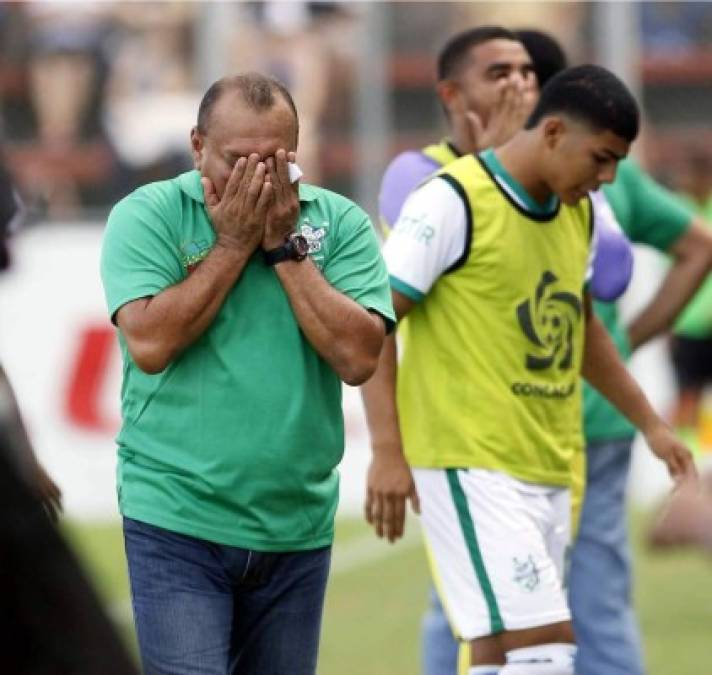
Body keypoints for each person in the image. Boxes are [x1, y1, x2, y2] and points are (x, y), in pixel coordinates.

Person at [361, 61, 697, 675]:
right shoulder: (452, 200)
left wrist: (651, 423)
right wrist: (386, 450)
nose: (608, 177)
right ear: (552, 134)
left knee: (498, 655)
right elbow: (375, 323)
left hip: (549, 464)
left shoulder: (581, 213)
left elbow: (584, 326)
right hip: (471, 463)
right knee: (548, 648)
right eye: (601, 158)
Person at [99, 72, 395, 674]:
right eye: (238, 161)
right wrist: (233, 246)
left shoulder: (339, 224)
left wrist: (285, 250)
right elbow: (151, 344)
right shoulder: (149, 215)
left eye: (275, 161)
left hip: (296, 525)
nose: (257, 180)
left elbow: (360, 357)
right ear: (197, 146)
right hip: (176, 516)